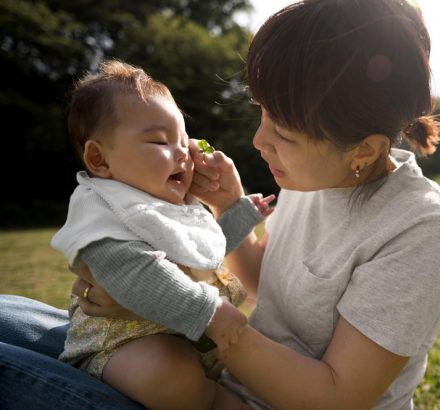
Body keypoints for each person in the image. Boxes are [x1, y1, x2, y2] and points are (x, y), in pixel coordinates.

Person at [0, 1, 440, 409]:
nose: (259, 140)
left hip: (206, 389)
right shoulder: (320, 176)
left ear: (364, 150)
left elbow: (336, 398)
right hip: (207, 370)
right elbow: (274, 289)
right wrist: (229, 206)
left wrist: (183, 310)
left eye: (283, 134)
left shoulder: (419, 229)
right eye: (262, 112)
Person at [49, 59, 273, 410]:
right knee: (170, 375)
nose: (183, 154)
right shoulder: (103, 210)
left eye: (184, 141)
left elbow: (200, 252)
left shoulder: (170, 203)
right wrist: (208, 311)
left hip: (189, 342)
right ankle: (210, 397)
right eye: (159, 141)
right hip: (121, 347)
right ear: (99, 159)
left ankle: (216, 394)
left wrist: (239, 213)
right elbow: (135, 273)